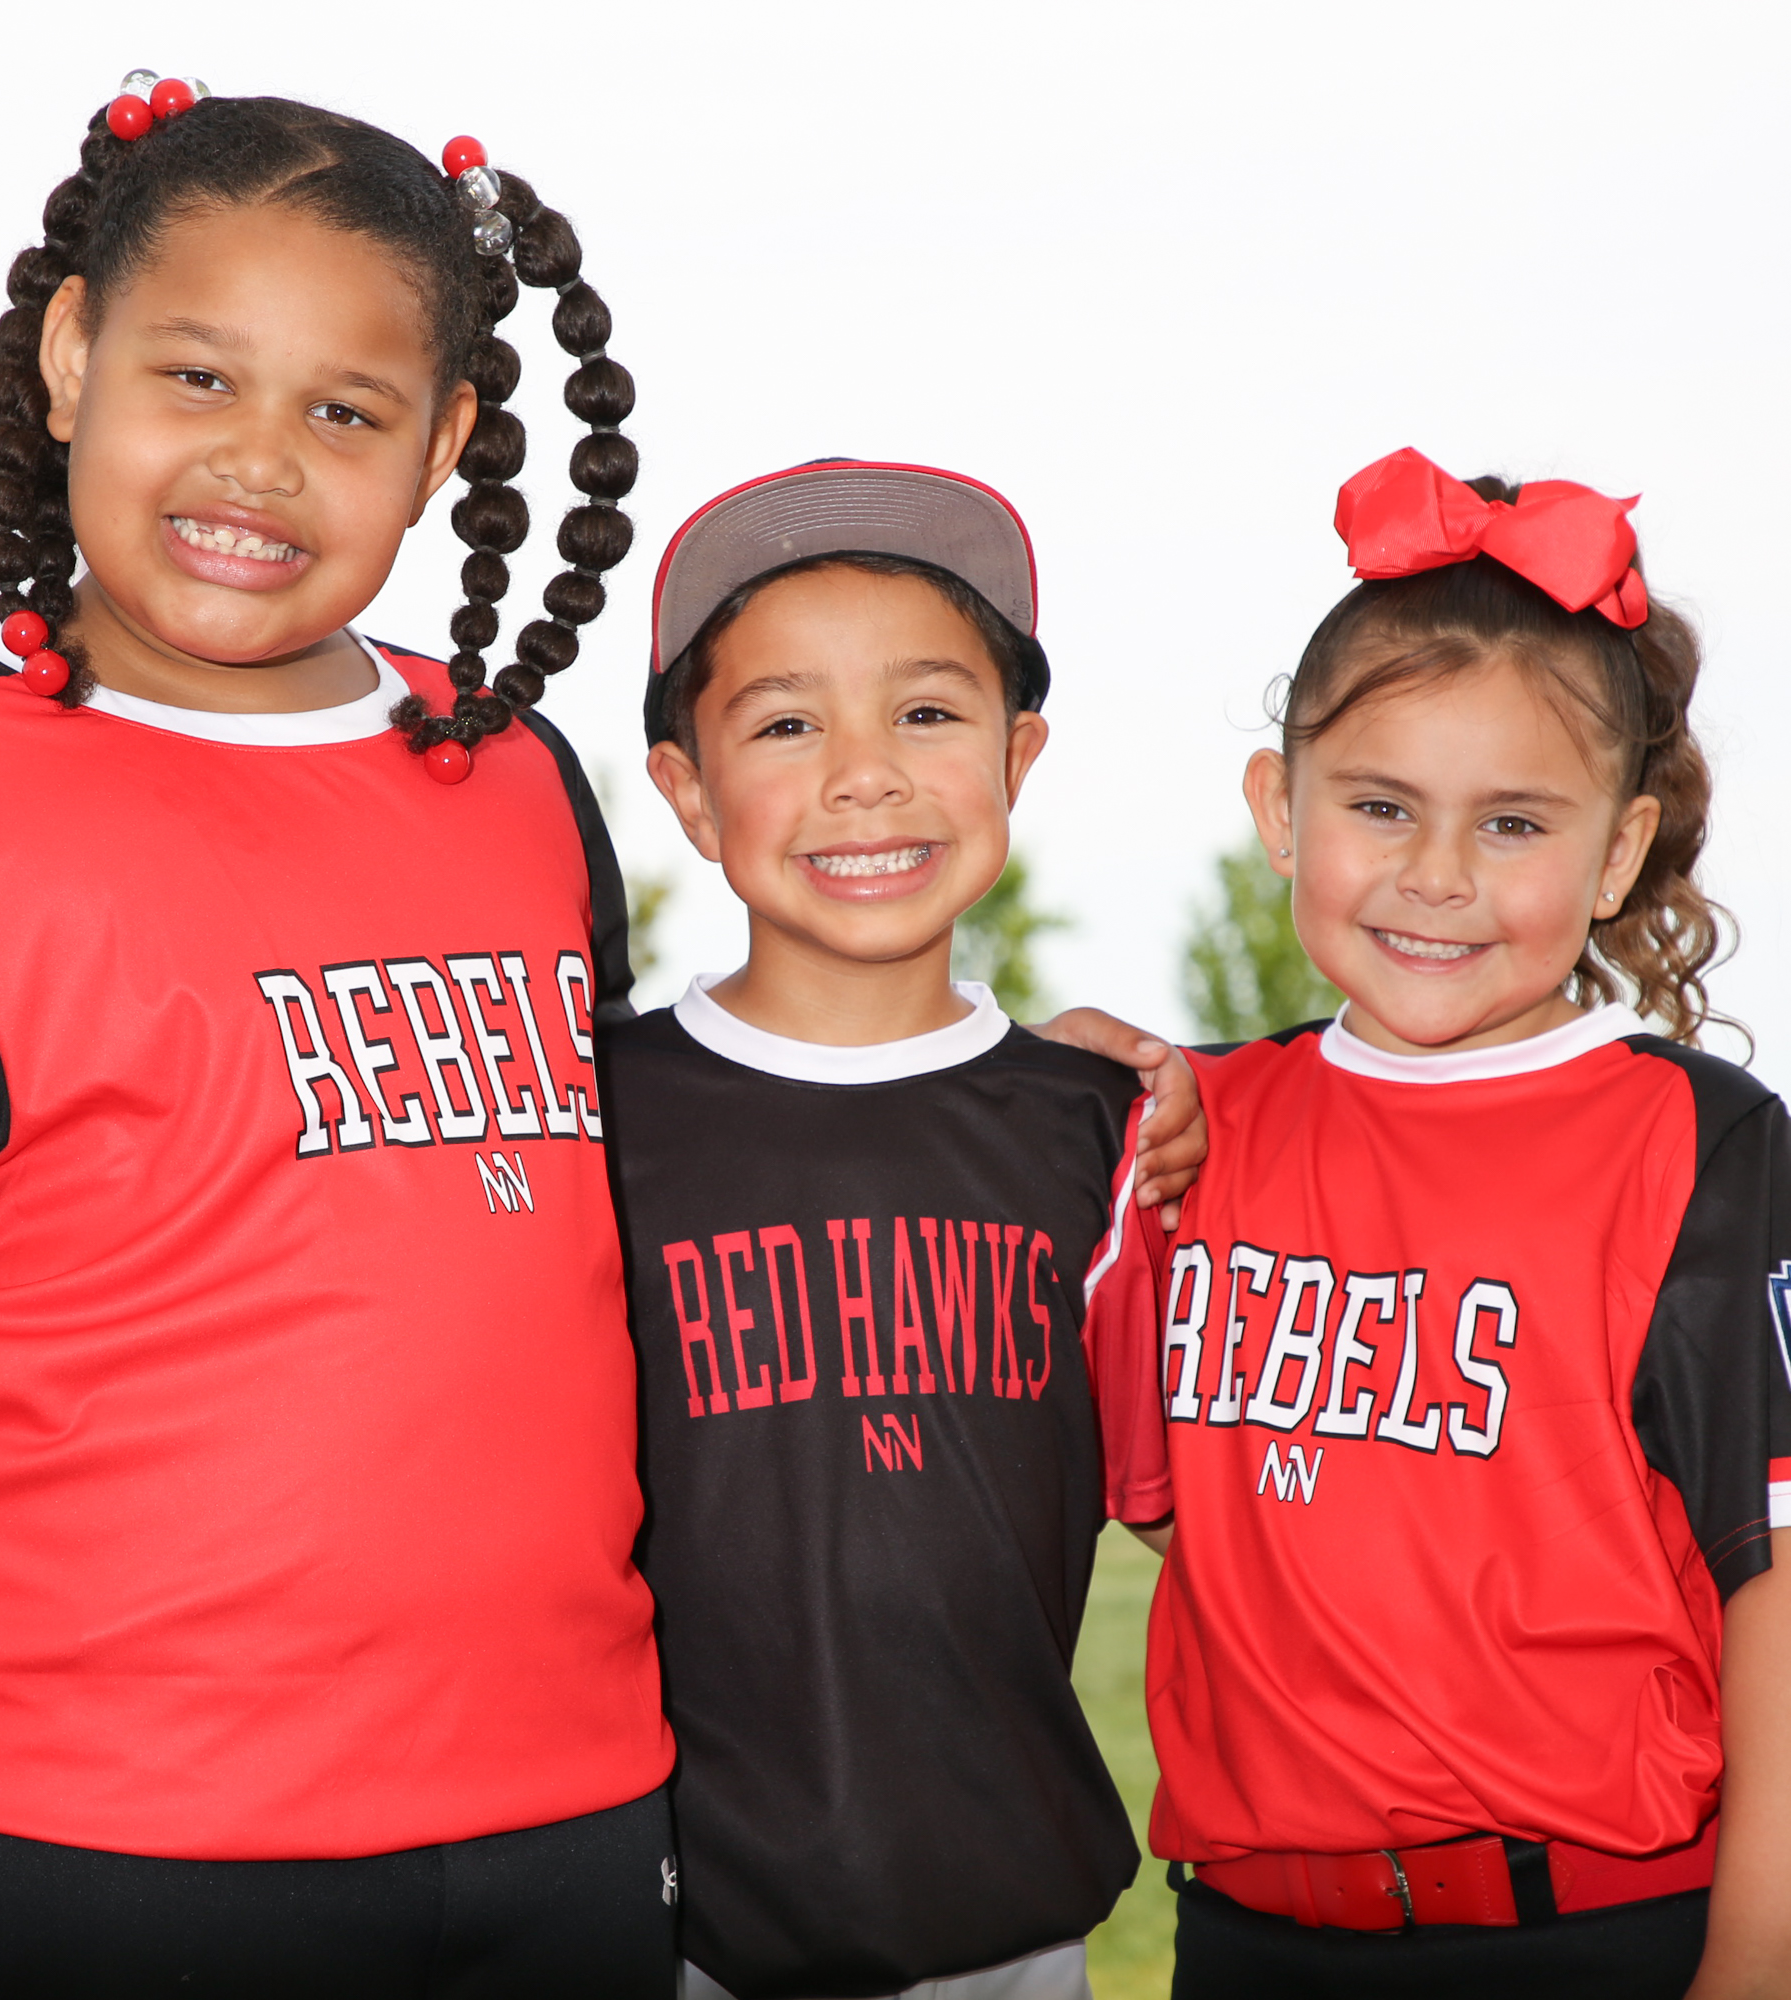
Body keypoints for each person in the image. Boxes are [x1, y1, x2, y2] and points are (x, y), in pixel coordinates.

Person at [0, 85, 1202, 1999]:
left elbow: (671, 1155)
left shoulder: (510, 776)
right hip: (96, 1829)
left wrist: (1029, 1088)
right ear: (69, 356)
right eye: (198, 377)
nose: (260, 463)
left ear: (445, 444)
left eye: (346, 412)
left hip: (572, 1824)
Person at [1141, 447, 1791, 2000]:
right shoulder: (1193, 1128)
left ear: (1618, 850)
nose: (1436, 876)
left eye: (1513, 824)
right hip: (1244, 1942)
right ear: (1279, 809)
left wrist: (1766, 1969)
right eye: (1381, 806)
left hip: (1592, 1941)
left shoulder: (1703, 1150)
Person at [610, 461, 1178, 2000]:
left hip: (1008, 1929)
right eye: (787, 725)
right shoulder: (592, 1121)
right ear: (687, 790)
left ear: (1017, 754)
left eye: (927, 711)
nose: (866, 776)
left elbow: (1203, 1520)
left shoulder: (1106, 1130)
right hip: (672, 1924)